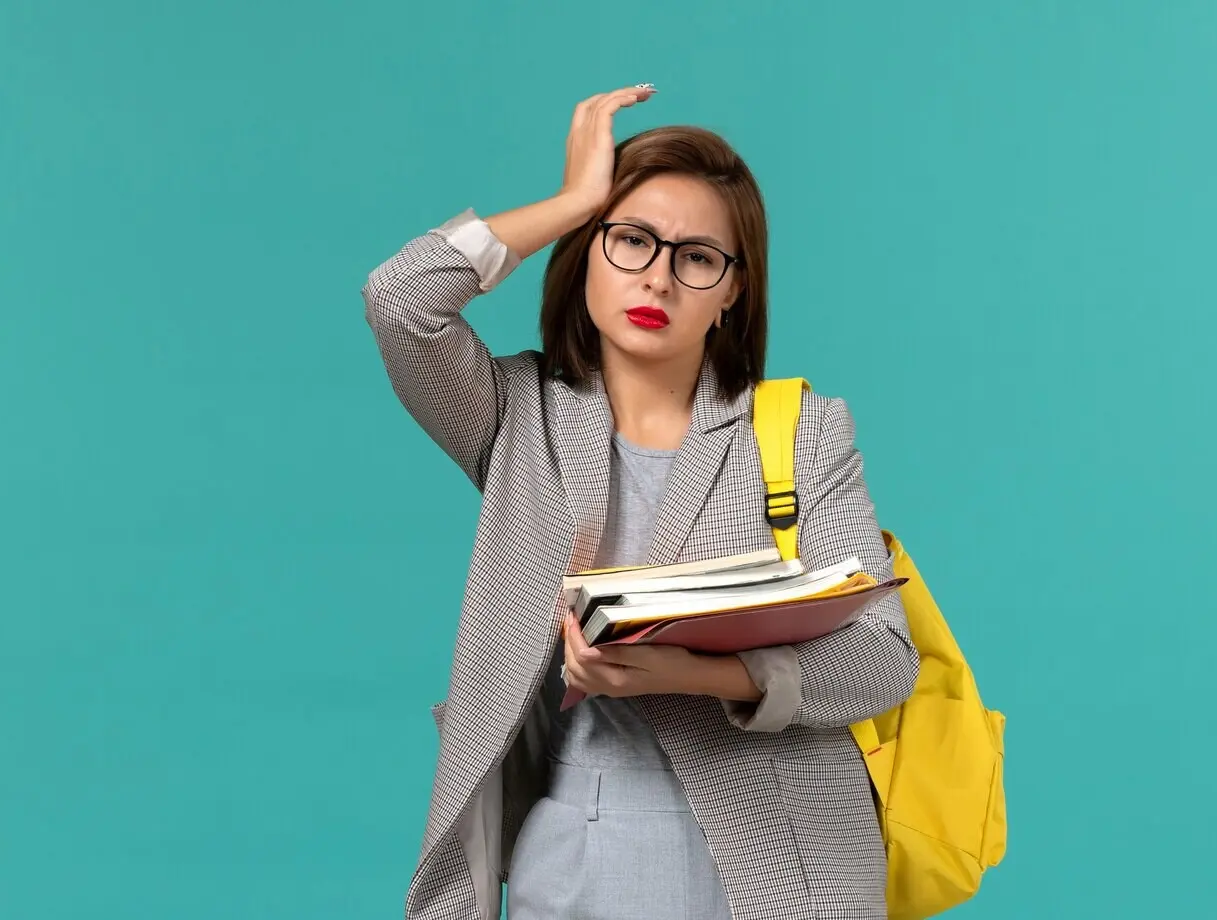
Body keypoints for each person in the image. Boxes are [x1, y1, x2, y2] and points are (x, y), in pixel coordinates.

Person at [362, 84, 919, 920]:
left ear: (733, 289)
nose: (658, 275)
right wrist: (571, 200)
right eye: (629, 239)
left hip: (781, 870)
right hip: (577, 863)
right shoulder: (518, 414)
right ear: (587, 249)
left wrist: (707, 675)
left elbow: (883, 661)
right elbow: (401, 300)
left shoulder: (802, 430)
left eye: (697, 257)